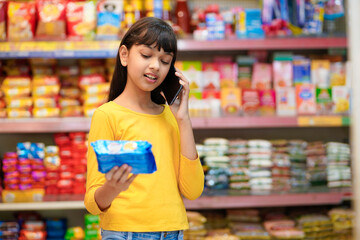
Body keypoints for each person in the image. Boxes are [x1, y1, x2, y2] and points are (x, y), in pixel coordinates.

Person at [84, 17, 204, 240]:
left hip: (173, 231)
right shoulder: (107, 115)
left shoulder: (171, 116)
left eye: (165, 60)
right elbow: (92, 202)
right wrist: (113, 187)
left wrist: (184, 120)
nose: (155, 66)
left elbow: (193, 190)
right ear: (124, 55)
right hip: (125, 232)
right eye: (146, 55)